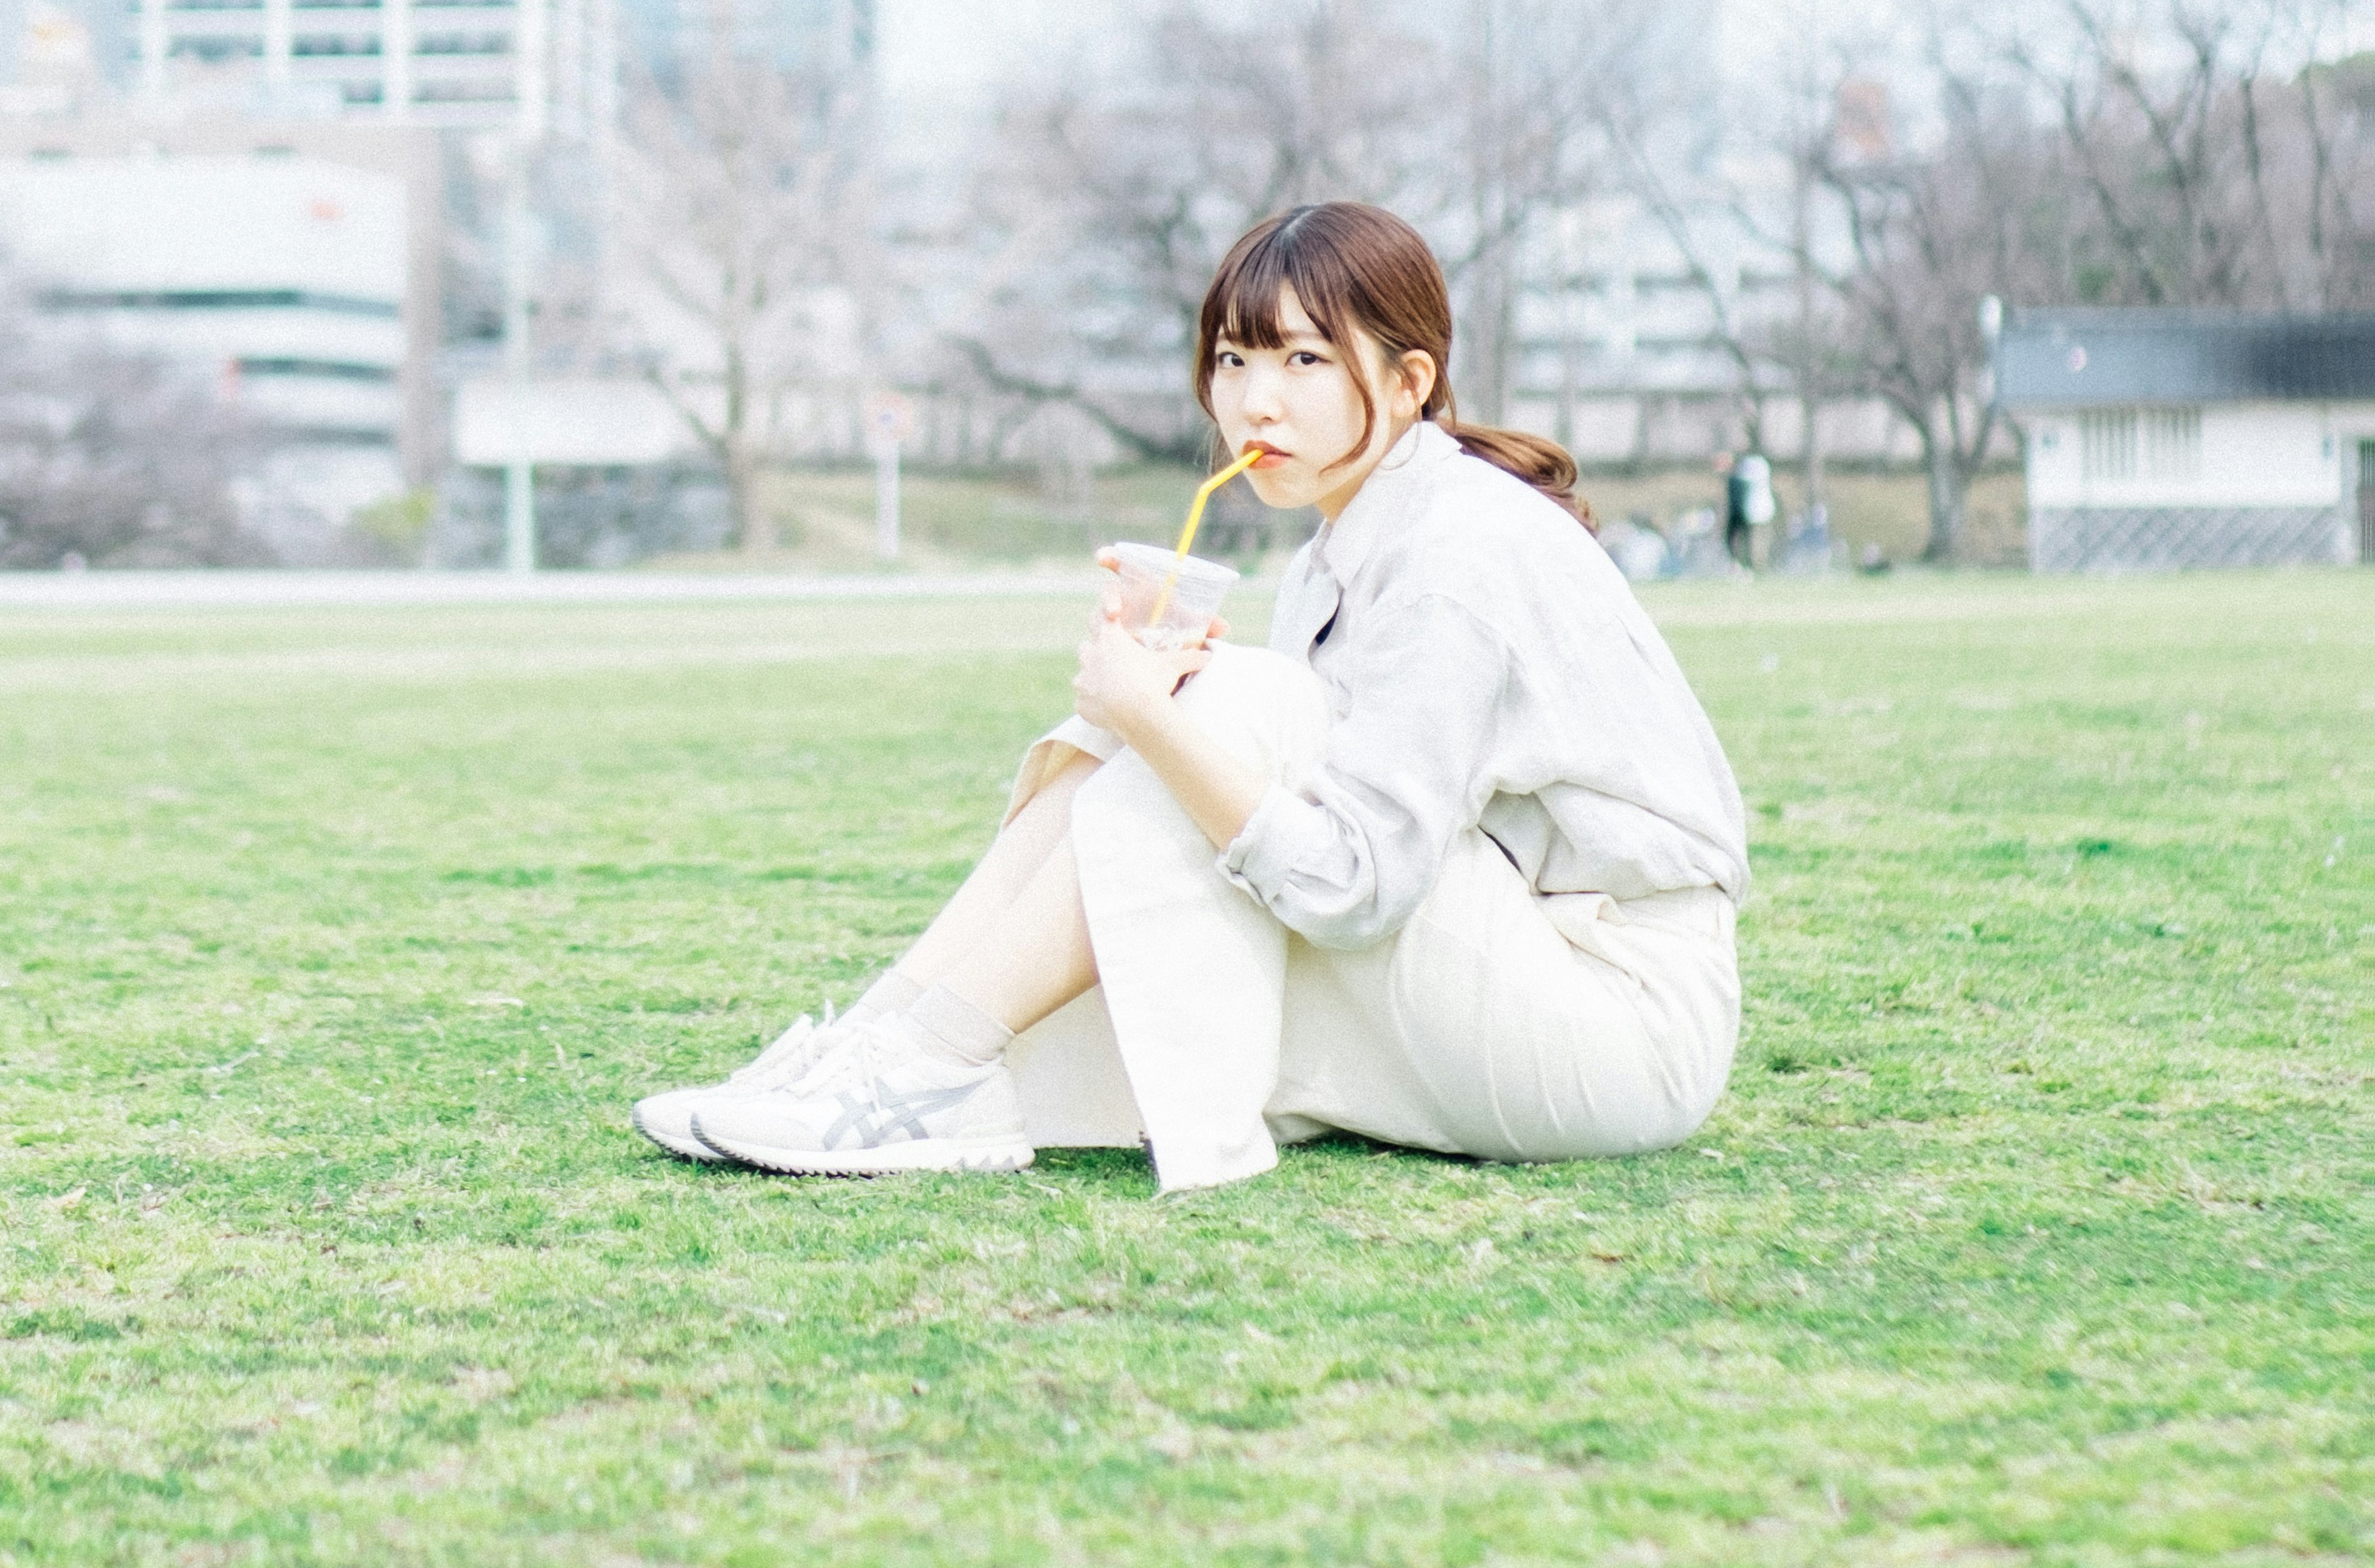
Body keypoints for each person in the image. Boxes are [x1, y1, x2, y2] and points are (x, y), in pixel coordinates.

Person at [634, 201, 1750, 1194]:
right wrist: (1150, 721)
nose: (1254, 401)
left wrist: (1164, 722)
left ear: (1410, 383)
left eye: (1306, 362)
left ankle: (927, 1065)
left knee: (1199, 709)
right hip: (1496, 966)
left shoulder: (1460, 552)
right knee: (1167, 716)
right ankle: (884, 1049)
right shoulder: (1337, 552)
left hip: (1613, 1018)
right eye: (1232, 359)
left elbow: (1355, 886)